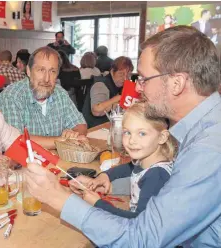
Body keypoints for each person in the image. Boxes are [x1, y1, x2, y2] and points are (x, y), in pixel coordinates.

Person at [23, 26, 221, 247]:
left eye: (144, 78)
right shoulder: (204, 128)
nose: (138, 87)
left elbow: (141, 238)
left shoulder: (209, 149)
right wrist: (110, 183)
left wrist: (58, 197)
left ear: (177, 83)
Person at [72, 102, 176, 218]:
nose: (131, 140)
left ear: (162, 137)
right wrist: (104, 176)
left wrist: (98, 204)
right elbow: (129, 168)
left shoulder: (156, 176)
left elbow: (139, 222)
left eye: (142, 133)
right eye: (127, 132)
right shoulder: (147, 160)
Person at [0, 46, 87, 150]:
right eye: (41, 70)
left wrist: (74, 135)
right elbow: (16, 140)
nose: (47, 79)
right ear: (29, 71)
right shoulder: (11, 96)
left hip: (58, 162)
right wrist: (63, 140)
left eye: (52, 71)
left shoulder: (60, 92)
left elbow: (80, 125)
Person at [82, 56, 134, 128]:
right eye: (121, 74)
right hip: (93, 129)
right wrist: (119, 97)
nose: (125, 78)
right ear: (112, 72)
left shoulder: (120, 86)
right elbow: (96, 111)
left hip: (107, 127)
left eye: (128, 75)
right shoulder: (100, 85)